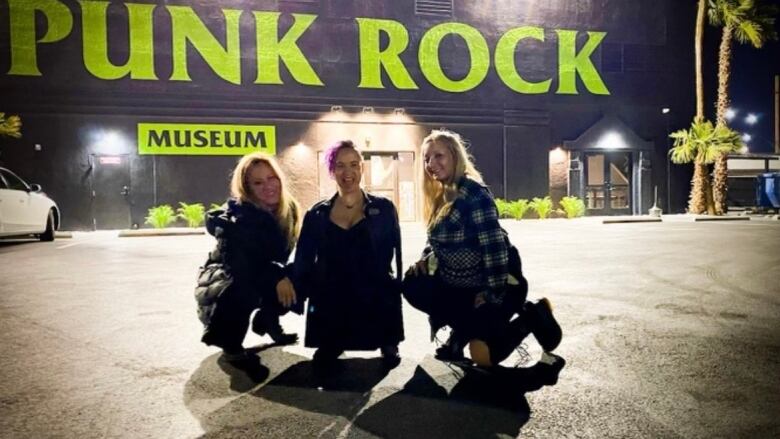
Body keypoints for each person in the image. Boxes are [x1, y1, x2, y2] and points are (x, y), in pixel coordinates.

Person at [403, 129, 565, 382]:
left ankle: (531, 317)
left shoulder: (474, 194)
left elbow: (495, 249)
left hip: (496, 286)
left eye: (439, 156)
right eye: (426, 159)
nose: (431, 164)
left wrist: (491, 293)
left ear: (455, 156)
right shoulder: (442, 194)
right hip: (461, 287)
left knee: (482, 354)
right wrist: (425, 258)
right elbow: (436, 238)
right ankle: (461, 334)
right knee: (412, 284)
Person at [294, 140, 404, 369]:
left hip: (371, 287)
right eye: (341, 166)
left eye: (354, 164)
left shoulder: (383, 209)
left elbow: (395, 258)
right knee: (327, 284)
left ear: (362, 168)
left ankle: (386, 338)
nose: (348, 172)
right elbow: (304, 258)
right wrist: (289, 282)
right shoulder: (317, 213)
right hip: (332, 290)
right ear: (332, 171)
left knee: (384, 281)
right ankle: (332, 340)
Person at [195, 152, 302, 363]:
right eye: (258, 182)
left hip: (262, 271)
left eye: (272, 178)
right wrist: (277, 277)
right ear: (247, 188)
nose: (268, 186)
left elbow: (281, 256)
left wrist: (289, 277)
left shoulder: (287, 210)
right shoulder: (236, 218)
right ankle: (231, 343)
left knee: (304, 276)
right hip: (224, 277)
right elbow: (241, 266)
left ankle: (268, 320)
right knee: (243, 290)